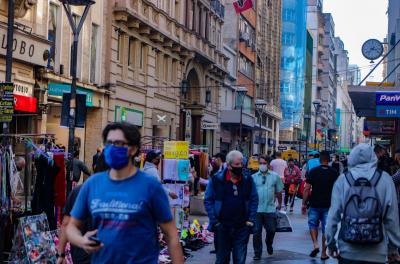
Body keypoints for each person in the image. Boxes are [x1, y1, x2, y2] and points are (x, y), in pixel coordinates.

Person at [66, 122, 184, 264]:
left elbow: (171, 236)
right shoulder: (92, 185)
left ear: (133, 149)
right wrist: (81, 240)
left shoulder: (150, 187)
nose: (113, 148)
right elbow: (71, 226)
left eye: (119, 143)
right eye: (109, 143)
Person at [326, 144, 400, 264]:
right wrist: (393, 247)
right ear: (373, 157)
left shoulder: (343, 179)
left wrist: (331, 244)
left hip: (347, 251)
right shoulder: (385, 179)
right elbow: (392, 218)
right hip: (377, 253)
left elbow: (333, 215)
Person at [204, 150, 258, 264]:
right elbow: (208, 200)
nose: (240, 167)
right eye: (237, 165)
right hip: (222, 227)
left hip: (242, 227)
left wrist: (250, 220)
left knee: (239, 259)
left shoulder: (248, 179)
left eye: (241, 164)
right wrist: (215, 221)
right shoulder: (217, 180)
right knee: (222, 260)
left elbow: (254, 199)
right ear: (229, 165)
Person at [302, 151, 338, 261]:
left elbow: (307, 188)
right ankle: (323, 253)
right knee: (326, 229)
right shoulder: (334, 172)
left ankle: (315, 244)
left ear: (320, 160)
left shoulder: (313, 171)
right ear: (329, 160)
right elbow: (338, 190)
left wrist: (304, 203)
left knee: (312, 224)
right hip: (328, 205)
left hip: (314, 204)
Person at [252, 155, 283, 260]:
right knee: (256, 232)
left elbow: (279, 191)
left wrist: (279, 204)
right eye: (260, 163)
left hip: (270, 209)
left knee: (271, 230)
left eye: (264, 163)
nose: (262, 165)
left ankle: (268, 243)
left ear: (269, 164)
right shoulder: (254, 177)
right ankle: (257, 253)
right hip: (257, 209)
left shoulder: (275, 176)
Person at [57, 185, 92, 264]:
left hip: (81, 255)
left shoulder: (79, 190)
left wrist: (61, 255)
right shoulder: (119, 193)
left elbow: (66, 224)